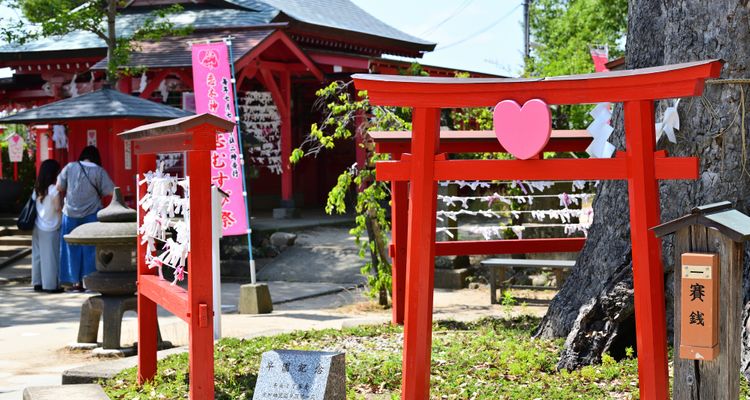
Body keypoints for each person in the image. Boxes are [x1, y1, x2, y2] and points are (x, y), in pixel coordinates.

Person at [57, 146, 114, 292]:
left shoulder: (70, 167)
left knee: (71, 248)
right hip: (91, 214)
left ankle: (75, 283)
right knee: (90, 248)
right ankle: (89, 282)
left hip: (69, 213)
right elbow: (111, 191)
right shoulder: (99, 171)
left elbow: (59, 186)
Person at [31, 159, 62, 293]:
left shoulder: (37, 188)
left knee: (37, 255)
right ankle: (50, 286)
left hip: (37, 226)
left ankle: (37, 283)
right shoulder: (53, 189)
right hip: (50, 227)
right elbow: (57, 208)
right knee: (50, 257)